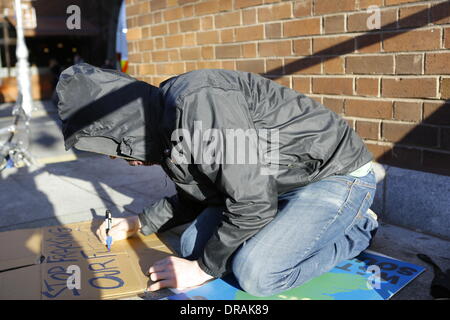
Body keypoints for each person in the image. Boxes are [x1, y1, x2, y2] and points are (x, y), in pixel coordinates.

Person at [55, 63, 378, 297]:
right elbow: (200, 195)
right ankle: (290, 225)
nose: (114, 158)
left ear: (121, 130)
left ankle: (359, 230)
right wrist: (140, 222)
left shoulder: (199, 103)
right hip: (276, 183)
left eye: (111, 149)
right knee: (191, 244)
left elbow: (252, 202)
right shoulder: (165, 128)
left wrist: (201, 271)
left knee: (258, 273)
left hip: (331, 175)